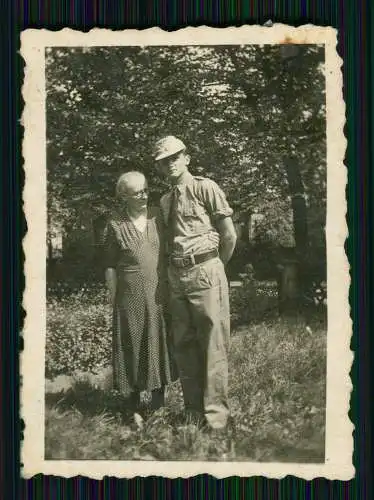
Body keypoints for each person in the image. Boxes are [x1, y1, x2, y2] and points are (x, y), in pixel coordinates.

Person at [154, 136, 237, 431]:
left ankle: (216, 420)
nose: (170, 163)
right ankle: (192, 414)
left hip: (206, 270)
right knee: (184, 345)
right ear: (160, 167)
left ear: (187, 158)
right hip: (177, 276)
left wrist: (215, 267)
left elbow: (229, 235)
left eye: (175, 157)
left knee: (213, 345)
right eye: (164, 160)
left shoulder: (206, 187)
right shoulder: (164, 200)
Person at [103, 171, 175, 417]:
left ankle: (158, 406)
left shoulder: (158, 216)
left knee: (159, 343)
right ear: (124, 196)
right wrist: (114, 298)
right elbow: (110, 264)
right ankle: (133, 408)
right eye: (137, 193)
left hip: (159, 293)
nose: (144, 196)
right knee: (132, 345)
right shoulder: (115, 224)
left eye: (146, 190)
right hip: (129, 296)